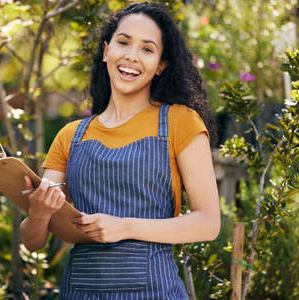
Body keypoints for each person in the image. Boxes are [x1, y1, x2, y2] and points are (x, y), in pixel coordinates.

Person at [20, 2, 220, 298]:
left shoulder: (180, 122)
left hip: (155, 291)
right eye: (123, 43)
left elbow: (208, 223)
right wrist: (38, 214)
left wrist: (124, 227)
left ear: (161, 65)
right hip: (80, 292)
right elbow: (33, 241)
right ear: (106, 51)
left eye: (147, 49)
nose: (131, 56)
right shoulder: (70, 136)